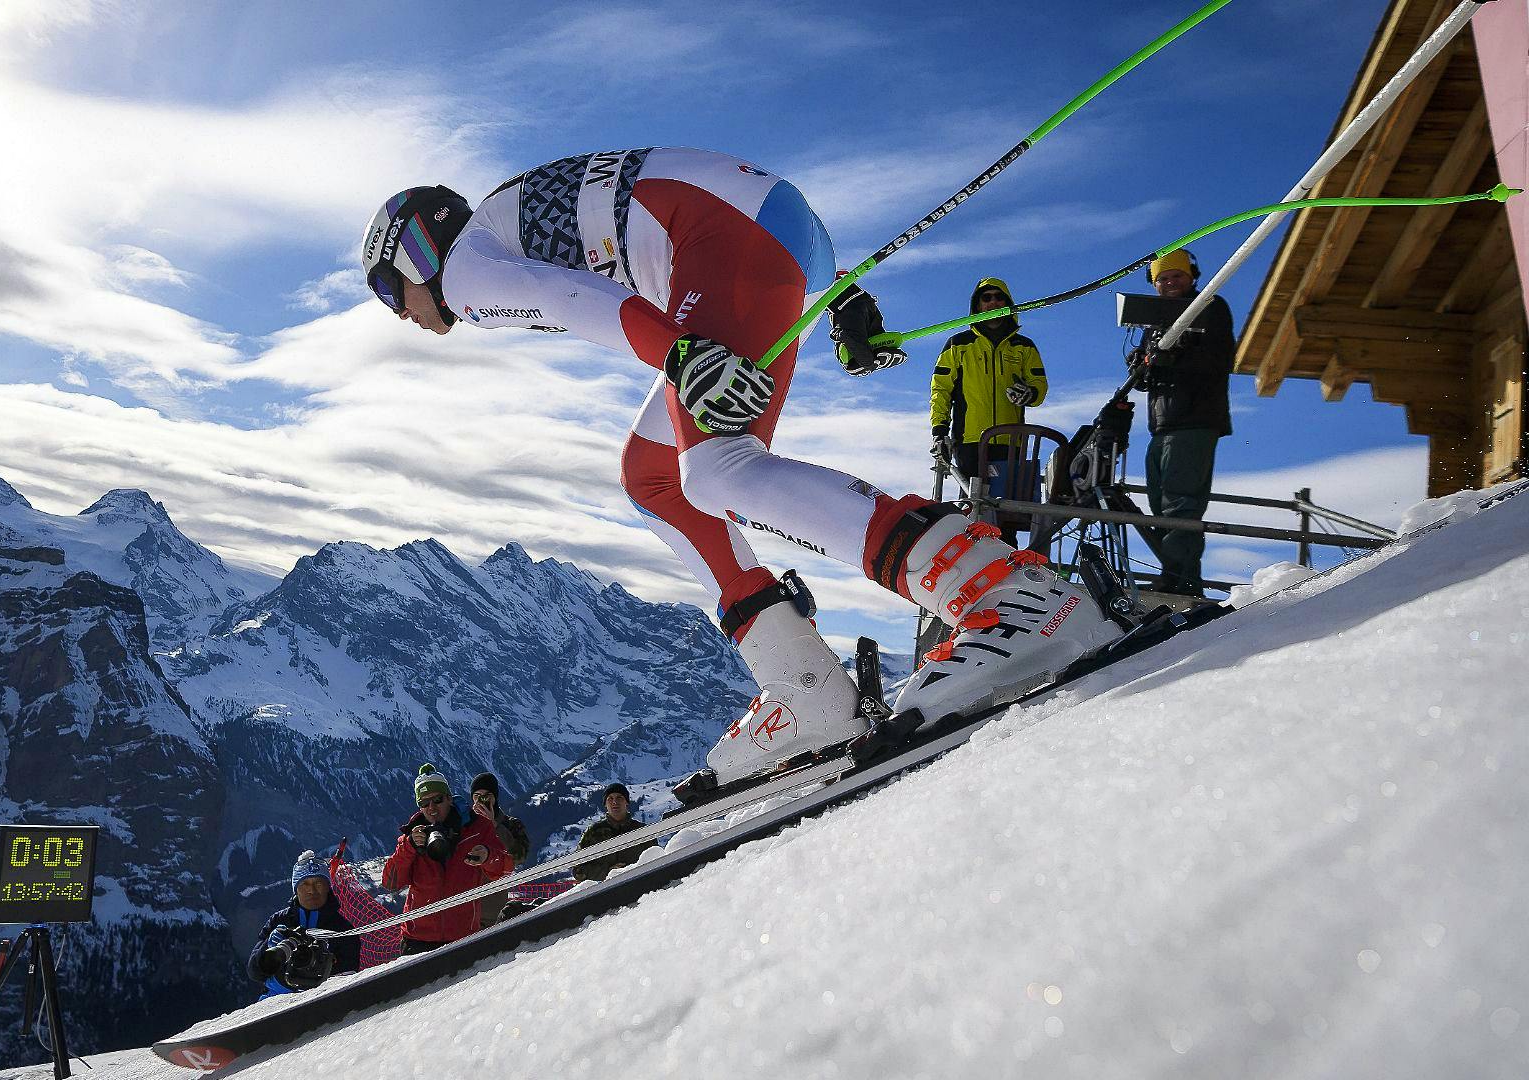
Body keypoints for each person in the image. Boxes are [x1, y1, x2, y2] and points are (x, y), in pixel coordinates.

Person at [360, 149, 1123, 786]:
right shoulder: (502, 219)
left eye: (391, 286)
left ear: (421, 248)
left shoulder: (466, 269)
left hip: (720, 240)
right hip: (758, 230)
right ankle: (805, 686)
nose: (399, 310)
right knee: (654, 475)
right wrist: (842, 300)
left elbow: (566, 295)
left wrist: (681, 353)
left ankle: (1003, 591)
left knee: (716, 469)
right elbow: (731, 205)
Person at [1127, 249, 1234, 597]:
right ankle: (1178, 577)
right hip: (1163, 423)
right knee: (1161, 504)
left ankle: (1180, 584)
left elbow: (1218, 359)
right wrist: (1142, 365)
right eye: (1163, 278)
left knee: (1180, 505)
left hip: (1194, 419)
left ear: (1192, 277)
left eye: (1177, 276)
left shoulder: (1210, 307)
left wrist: (1172, 358)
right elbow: (1150, 370)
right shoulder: (1155, 319)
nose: (1170, 283)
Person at [929, 276, 1049, 519]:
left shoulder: (1023, 347)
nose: (993, 302)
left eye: (999, 297)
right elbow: (940, 390)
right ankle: (974, 554)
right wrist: (939, 432)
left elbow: (1039, 386)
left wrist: (1029, 392)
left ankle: (1008, 556)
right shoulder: (958, 344)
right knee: (975, 510)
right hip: (970, 441)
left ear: (1008, 302)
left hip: (1011, 441)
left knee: (1009, 514)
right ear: (977, 304)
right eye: (987, 298)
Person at [380, 764, 512, 954]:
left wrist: (488, 856)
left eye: (437, 800)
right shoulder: (412, 837)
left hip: (463, 937)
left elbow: (506, 868)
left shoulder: (477, 828)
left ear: (449, 798)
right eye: (424, 803)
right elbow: (390, 882)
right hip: (417, 940)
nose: (431, 808)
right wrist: (408, 847)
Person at [247, 850, 361, 1000]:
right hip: (273, 1001)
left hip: (322, 1001)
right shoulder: (278, 921)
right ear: (295, 889)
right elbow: (254, 972)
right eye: (305, 883)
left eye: (319, 883)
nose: (312, 890)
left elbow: (347, 981)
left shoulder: (343, 930)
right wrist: (267, 947)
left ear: (328, 888)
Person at [469, 772, 530, 928]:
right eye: (477, 796)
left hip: (492, 911)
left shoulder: (511, 825)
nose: (482, 800)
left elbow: (519, 856)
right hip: (463, 910)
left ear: (495, 797)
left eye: (487, 795)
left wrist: (493, 826)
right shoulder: (464, 824)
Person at [574, 783, 651, 883]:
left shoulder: (642, 831)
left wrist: (630, 870)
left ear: (626, 802)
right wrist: (608, 872)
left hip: (641, 887)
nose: (615, 802)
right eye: (610, 798)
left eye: (619, 798)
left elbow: (656, 859)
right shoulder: (593, 832)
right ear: (605, 804)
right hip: (603, 892)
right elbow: (577, 870)